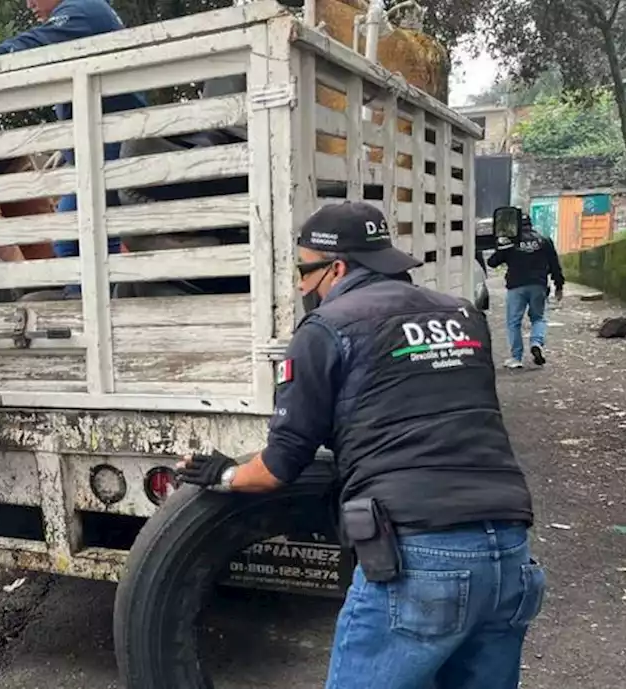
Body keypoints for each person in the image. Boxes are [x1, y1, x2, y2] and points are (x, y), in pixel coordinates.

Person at [176, 201, 543, 689]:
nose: (303, 287)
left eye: (305, 272)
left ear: (339, 267)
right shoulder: (463, 316)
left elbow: (280, 466)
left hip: (422, 557)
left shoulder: (326, 329)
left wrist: (221, 473)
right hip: (511, 556)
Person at [0, 0, 147, 294]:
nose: (29, 3)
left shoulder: (84, 10)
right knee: (93, 234)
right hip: (106, 145)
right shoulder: (88, 15)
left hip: (112, 147)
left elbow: (35, 44)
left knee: (75, 235)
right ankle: (98, 302)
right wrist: (66, 151)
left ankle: (88, 308)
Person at [487, 213, 564, 369]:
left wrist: (500, 244)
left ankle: (516, 358)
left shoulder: (510, 242)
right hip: (539, 285)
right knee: (539, 318)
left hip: (516, 286)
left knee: (514, 322)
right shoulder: (544, 240)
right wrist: (559, 285)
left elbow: (492, 262)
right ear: (531, 224)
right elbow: (555, 264)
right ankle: (536, 342)